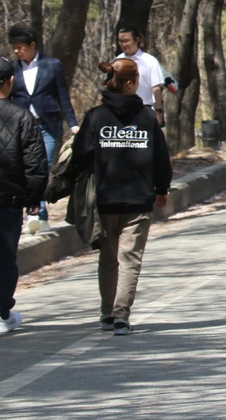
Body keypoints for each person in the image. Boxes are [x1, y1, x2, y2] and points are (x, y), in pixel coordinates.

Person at [71, 59, 171, 335]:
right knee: (130, 259)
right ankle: (121, 315)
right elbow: (162, 159)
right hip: (138, 201)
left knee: (108, 257)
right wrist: (161, 189)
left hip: (104, 200)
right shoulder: (148, 118)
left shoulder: (95, 117)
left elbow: (80, 157)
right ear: (130, 83)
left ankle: (107, 312)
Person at [8, 25, 79, 234]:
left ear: (32, 45)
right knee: (23, 169)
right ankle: (38, 215)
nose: (17, 51)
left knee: (42, 167)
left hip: (47, 125)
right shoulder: (12, 69)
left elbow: (62, 96)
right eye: (14, 47)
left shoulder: (52, 65)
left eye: (20, 47)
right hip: (21, 126)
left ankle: (35, 214)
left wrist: (73, 123)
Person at [0, 56, 48, 334]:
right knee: (5, 257)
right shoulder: (22, 117)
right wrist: (34, 198)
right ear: (11, 81)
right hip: (9, 200)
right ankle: (3, 311)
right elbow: (35, 163)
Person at [114, 25, 166, 128]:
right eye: (121, 41)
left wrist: (158, 110)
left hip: (144, 110)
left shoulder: (150, 61)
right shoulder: (116, 62)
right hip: (121, 111)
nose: (123, 45)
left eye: (127, 41)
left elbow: (156, 88)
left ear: (136, 40)